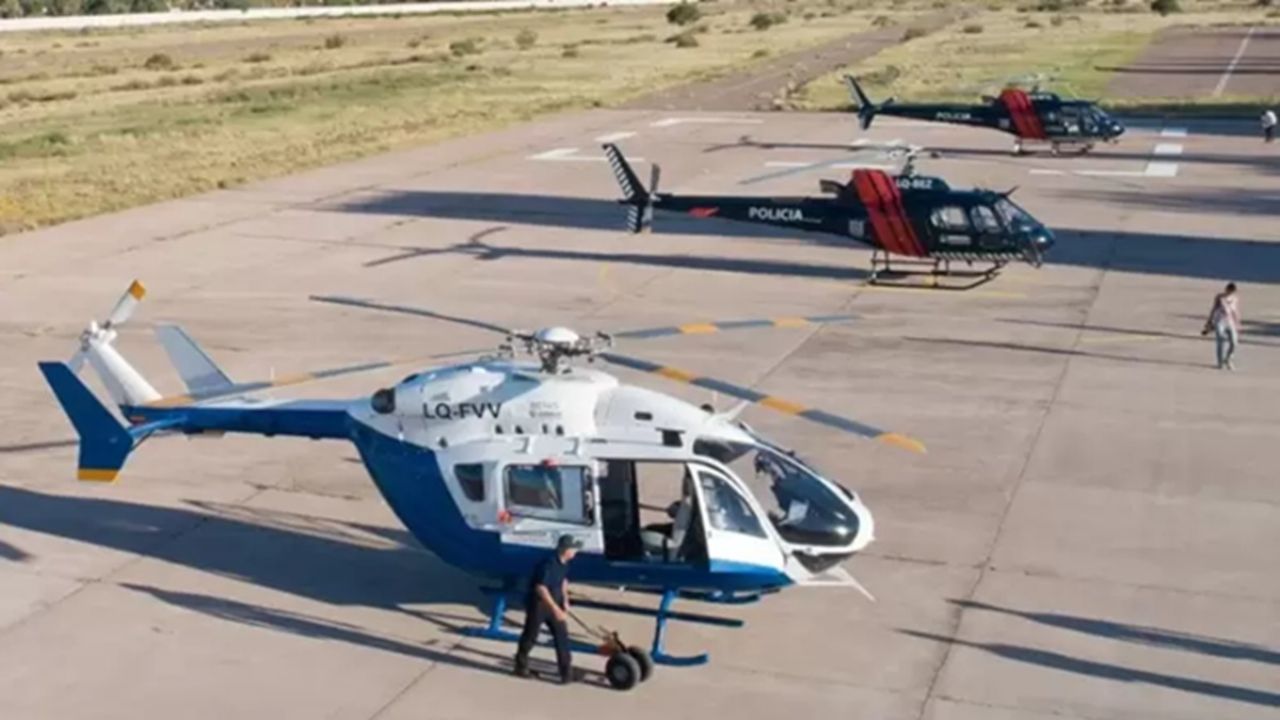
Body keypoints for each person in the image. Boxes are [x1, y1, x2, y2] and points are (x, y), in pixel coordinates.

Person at [513, 534, 580, 683]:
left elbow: (563, 581)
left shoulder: (565, 563)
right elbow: (540, 588)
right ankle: (520, 665)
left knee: (562, 637)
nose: (576, 551)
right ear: (566, 550)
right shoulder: (548, 564)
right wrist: (555, 609)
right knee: (531, 635)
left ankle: (566, 673)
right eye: (574, 549)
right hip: (539, 605)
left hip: (554, 604)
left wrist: (565, 601)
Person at [1202, 282, 1241, 370]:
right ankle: (1220, 362)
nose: (1230, 293)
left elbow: (1235, 311)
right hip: (1220, 321)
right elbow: (1213, 309)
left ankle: (1228, 359)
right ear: (1226, 289)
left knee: (1234, 342)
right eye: (1229, 291)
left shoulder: (1235, 299)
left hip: (1230, 322)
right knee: (1220, 340)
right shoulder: (1220, 298)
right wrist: (1209, 321)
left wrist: (1237, 322)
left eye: (1232, 291)